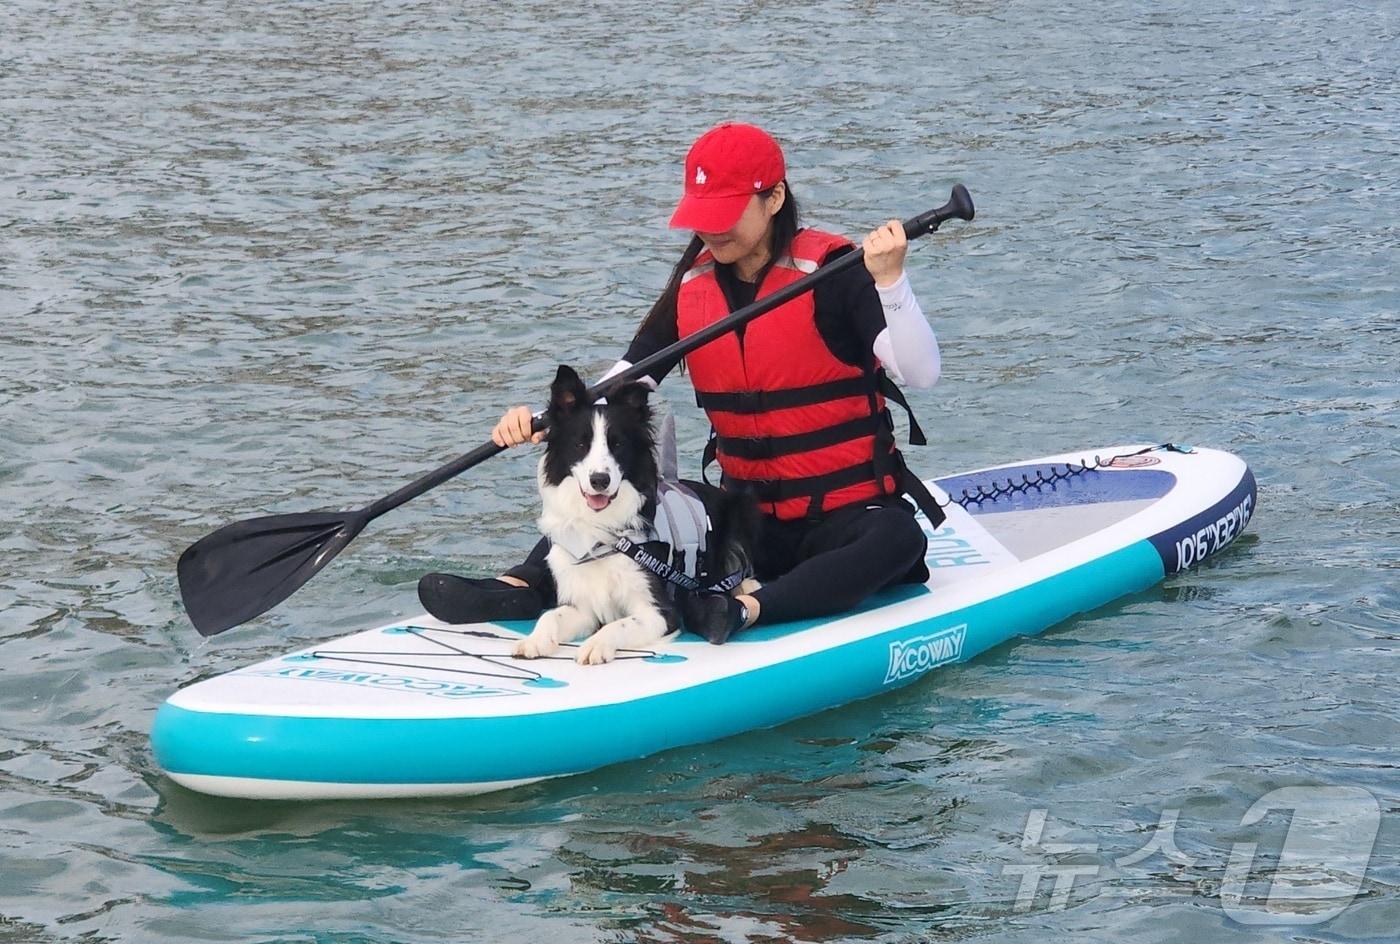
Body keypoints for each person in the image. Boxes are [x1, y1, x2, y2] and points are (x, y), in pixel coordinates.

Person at [420, 121, 946, 642]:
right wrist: (544, 421)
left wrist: (890, 281)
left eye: (725, 214)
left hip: (848, 515)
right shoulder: (694, 285)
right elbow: (630, 375)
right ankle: (522, 586)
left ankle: (742, 610)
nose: (712, 231)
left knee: (898, 538)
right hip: (744, 519)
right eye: (703, 216)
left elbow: (921, 372)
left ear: (775, 197)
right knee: (639, 494)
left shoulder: (835, 272)